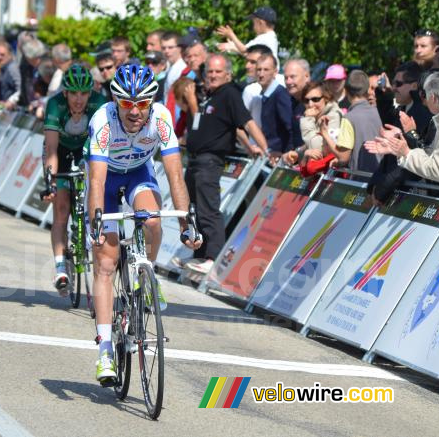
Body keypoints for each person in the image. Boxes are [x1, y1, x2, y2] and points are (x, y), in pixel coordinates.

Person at [87, 64, 201, 384]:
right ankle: (105, 350)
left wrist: (186, 224)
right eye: (126, 103)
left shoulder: (161, 119)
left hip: (139, 173)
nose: (135, 111)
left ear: (152, 101)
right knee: (106, 263)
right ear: (115, 101)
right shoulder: (103, 121)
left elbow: (175, 175)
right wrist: (96, 223)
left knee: (152, 220)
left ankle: (145, 277)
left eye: (142, 103)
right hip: (106, 179)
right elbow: (96, 182)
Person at [183, 54, 268, 274]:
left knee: (208, 210)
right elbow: (233, 128)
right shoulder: (209, 95)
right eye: (210, 71)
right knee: (193, 210)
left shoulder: (229, 93)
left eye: (217, 71)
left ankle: (213, 257)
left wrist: (263, 148)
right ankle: (199, 255)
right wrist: (249, 147)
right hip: (194, 160)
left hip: (210, 160)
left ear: (228, 75)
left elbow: (245, 122)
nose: (212, 75)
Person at [42, 65, 107, 295]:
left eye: (84, 93)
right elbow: (51, 149)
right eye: (74, 93)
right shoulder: (55, 104)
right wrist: (50, 182)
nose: (79, 99)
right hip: (60, 150)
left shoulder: (100, 103)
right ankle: (61, 267)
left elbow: (103, 144)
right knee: (61, 209)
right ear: (65, 92)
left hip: (86, 150)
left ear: (91, 92)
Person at [364, 70, 439, 190]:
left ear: (433, 97)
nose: (423, 101)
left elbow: (438, 171)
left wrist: (407, 152)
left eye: (425, 95)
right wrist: (401, 141)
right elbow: (432, 155)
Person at [249, 52, 293, 156]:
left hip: (281, 155)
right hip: (270, 154)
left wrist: (288, 154)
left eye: (266, 70)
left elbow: (291, 127)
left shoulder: (280, 95)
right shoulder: (265, 95)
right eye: (259, 70)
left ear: (275, 72)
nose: (261, 74)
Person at [344, 70, 382, 174]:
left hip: (363, 177)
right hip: (374, 176)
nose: (371, 93)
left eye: (375, 89)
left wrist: (325, 134)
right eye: (370, 88)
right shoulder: (378, 113)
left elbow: (343, 157)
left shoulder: (349, 117)